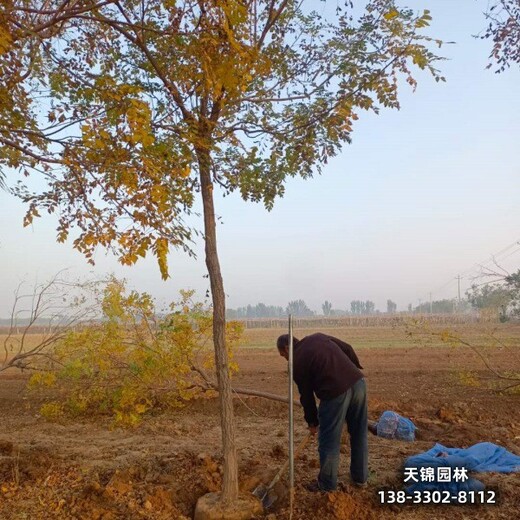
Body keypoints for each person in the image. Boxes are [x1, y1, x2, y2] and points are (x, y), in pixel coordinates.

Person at [276, 332, 368, 492]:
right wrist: (354, 369)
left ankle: (327, 485)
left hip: (335, 392)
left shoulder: (296, 362)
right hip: (358, 383)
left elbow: (306, 396)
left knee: (329, 441)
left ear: (286, 348)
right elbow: (347, 347)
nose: (285, 359)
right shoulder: (318, 337)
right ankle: (360, 478)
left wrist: (312, 422)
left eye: (283, 355)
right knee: (359, 433)